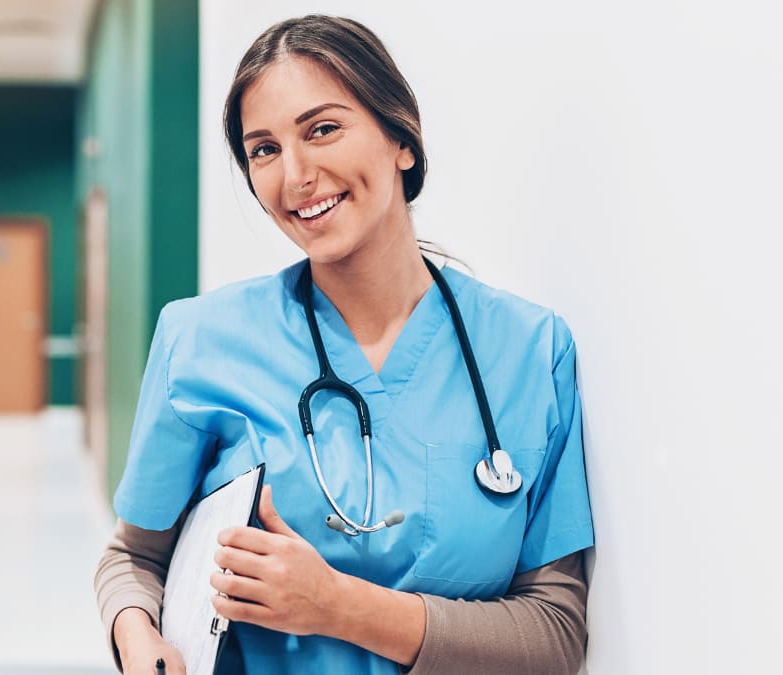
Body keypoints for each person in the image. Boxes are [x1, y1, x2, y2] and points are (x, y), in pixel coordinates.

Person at [95, 14, 594, 675]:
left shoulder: (529, 351)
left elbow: (556, 634)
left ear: (401, 140)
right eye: (264, 149)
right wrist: (139, 642)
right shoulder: (200, 341)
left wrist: (334, 604)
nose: (296, 173)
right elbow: (133, 557)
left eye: (321, 129)